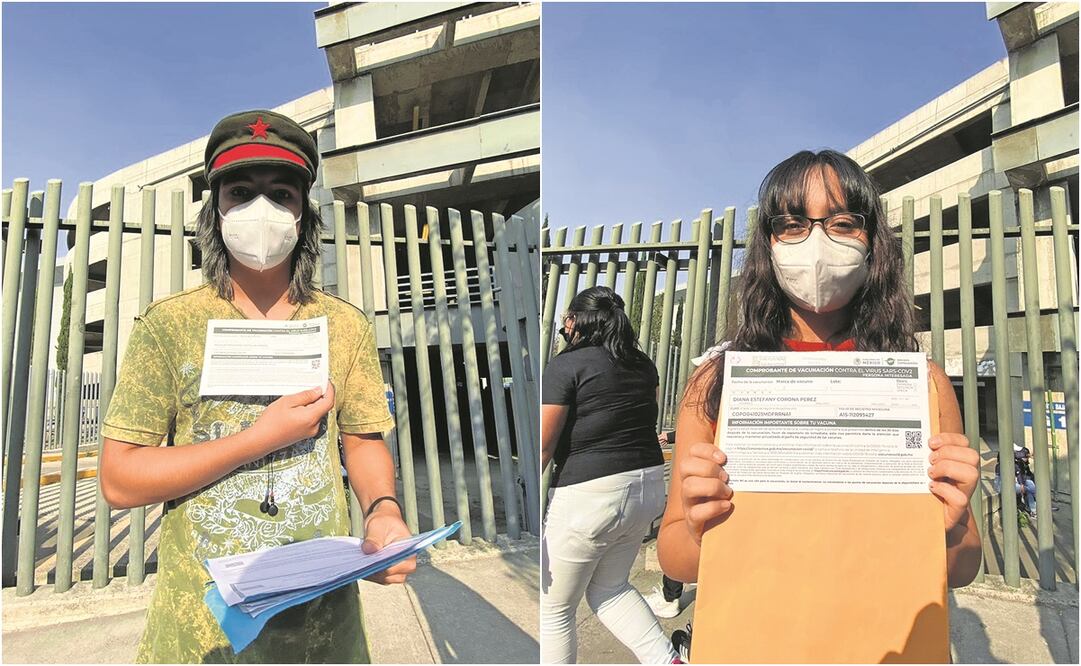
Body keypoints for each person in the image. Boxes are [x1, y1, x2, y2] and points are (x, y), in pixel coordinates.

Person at [99, 109, 410, 663]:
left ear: (304, 214)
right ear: (214, 211)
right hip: (203, 630)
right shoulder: (169, 326)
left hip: (323, 629)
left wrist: (383, 508)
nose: (260, 211)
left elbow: (363, 438)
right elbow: (121, 479)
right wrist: (257, 438)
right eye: (240, 192)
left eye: (281, 194)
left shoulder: (344, 325)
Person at [657, 149, 983, 596]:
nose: (816, 243)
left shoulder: (923, 384)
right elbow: (675, 556)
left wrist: (950, 524)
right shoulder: (718, 379)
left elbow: (963, 566)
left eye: (843, 223)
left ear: (873, 243)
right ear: (768, 245)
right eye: (792, 225)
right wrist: (696, 526)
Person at [540, 286, 679, 664]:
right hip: (646, 487)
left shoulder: (567, 365)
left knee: (554, 610)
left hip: (590, 496)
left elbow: (543, 445)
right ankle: (670, 661)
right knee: (610, 588)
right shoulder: (642, 364)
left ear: (575, 321)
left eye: (565, 321)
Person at [995, 443, 1038, 518]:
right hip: (1003, 485)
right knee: (1029, 489)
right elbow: (1020, 455)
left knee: (1030, 484)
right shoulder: (1004, 463)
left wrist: (1029, 456)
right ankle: (1035, 509)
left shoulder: (1016, 462)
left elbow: (1021, 475)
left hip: (1014, 483)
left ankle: (1034, 509)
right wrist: (1027, 455)